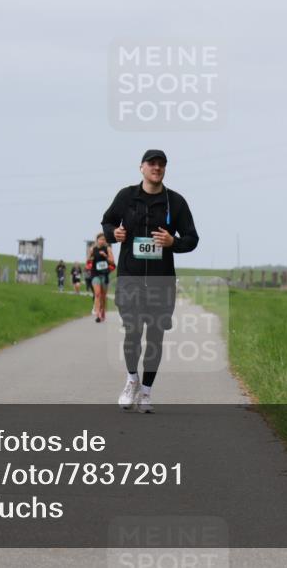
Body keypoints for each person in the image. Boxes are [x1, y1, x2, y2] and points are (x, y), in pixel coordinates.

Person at [101, 150, 198, 413]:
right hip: (130, 278)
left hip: (161, 282)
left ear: (165, 169)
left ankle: (146, 392)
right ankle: (131, 380)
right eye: (152, 164)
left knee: (155, 338)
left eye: (161, 165)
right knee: (133, 331)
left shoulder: (175, 202)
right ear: (141, 168)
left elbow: (192, 238)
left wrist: (173, 242)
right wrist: (115, 233)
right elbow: (107, 222)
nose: (157, 168)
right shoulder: (126, 197)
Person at [87, 233, 115, 322]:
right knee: (97, 294)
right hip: (95, 273)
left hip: (105, 274)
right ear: (97, 240)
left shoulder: (108, 249)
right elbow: (88, 261)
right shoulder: (93, 249)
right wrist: (90, 257)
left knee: (103, 295)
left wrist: (105, 256)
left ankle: (103, 311)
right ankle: (98, 314)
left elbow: (112, 262)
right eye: (100, 239)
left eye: (104, 239)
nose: (102, 241)